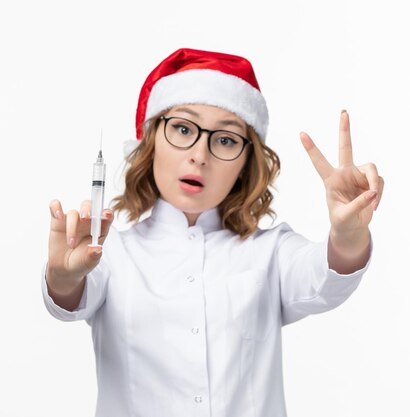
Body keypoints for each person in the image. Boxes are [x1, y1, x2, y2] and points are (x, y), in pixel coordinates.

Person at [41, 48, 383, 417]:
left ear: (246, 162)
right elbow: (71, 299)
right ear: (152, 139)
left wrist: (348, 236)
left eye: (225, 140)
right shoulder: (113, 255)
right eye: (183, 129)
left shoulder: (270, 252)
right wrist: (62, 276)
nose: (200, 155)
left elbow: (324, 276)